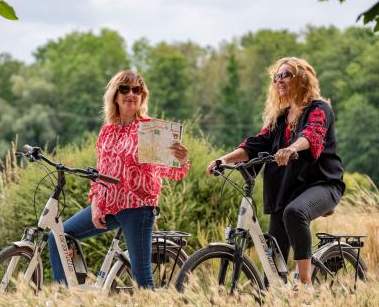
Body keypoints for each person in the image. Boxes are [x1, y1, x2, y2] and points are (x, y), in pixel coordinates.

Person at [206, 57, 345, 290]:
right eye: (276, 76)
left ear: (302, 79)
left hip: (323, 184)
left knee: (294, 212)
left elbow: (312, 135)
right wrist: (224, 159)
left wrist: (291, 148)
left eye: (286, 75)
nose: (279, 80)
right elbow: (255, 144)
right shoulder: (280, 118)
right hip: (287, 190)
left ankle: (305, 284)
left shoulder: (320, 109)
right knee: (274, 266)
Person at [47, 70, 190, 289]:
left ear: (143, 96)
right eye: (125, 89)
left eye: (137, 90)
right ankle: (64, 300)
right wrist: (95, 205)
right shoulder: (107, 132)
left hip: (138, 208)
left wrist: (181, 159)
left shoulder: (150, 130)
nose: (131, 94)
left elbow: (173, 172)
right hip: (108, 206)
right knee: (58, 236)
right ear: (115, 95)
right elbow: (99, 173)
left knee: (142, 278)